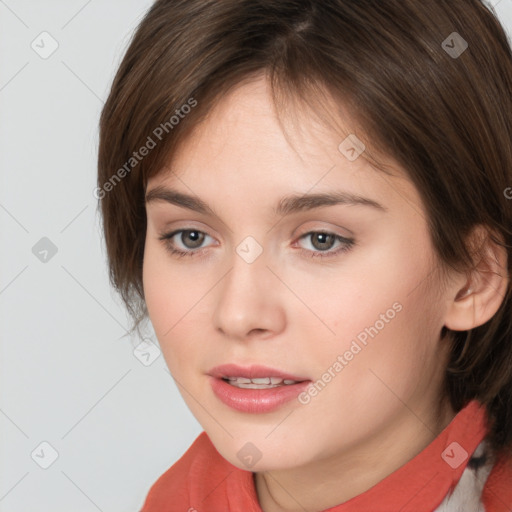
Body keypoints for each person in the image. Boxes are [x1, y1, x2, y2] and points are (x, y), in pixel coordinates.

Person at [96, 0, 512, 510]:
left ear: (474, 277)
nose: (239, 314)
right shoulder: (177, 498)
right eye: (190, 237)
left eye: (321, 240)